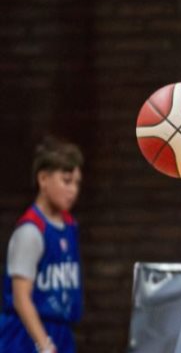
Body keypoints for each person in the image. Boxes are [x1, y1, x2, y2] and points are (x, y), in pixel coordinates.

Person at [0, 137, 84, 353]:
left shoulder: (69, 226)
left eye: (77, 183)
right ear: (43, 179)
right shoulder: (31, 231)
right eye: (66, 181)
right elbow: (20, 298)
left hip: (60, 331)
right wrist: (43, 344)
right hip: (25, 335)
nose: (73, 190)